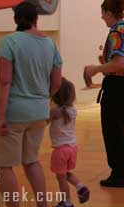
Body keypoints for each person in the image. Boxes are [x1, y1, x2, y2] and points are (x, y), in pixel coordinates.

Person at [0, 2, 62, 207]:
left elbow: (4, 81)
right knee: (31, 161)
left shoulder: (9, 42)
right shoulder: (50, 44)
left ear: (15, 19)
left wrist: (1, 116)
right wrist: (41, 101)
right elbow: (56, 83)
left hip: (13, 113)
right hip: (38, 114)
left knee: (3, 165)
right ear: (37, 19)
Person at [83, 0, 124, 187]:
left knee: (112, 130)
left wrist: (96, 69)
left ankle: (120, 173)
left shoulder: (116, 34)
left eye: (103, 14)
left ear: (109, 13)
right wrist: (106, 63)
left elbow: (118, 64)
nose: (102, 17)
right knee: (118, 129)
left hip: (118, 88)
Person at [49, 78, 90, 207]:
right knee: (65, 174)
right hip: (72, 148)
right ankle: (80, 186)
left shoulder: (54, 112)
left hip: (60, 151)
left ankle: (67, 202)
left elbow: (42, 120)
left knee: (61, 179)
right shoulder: (72, 111)